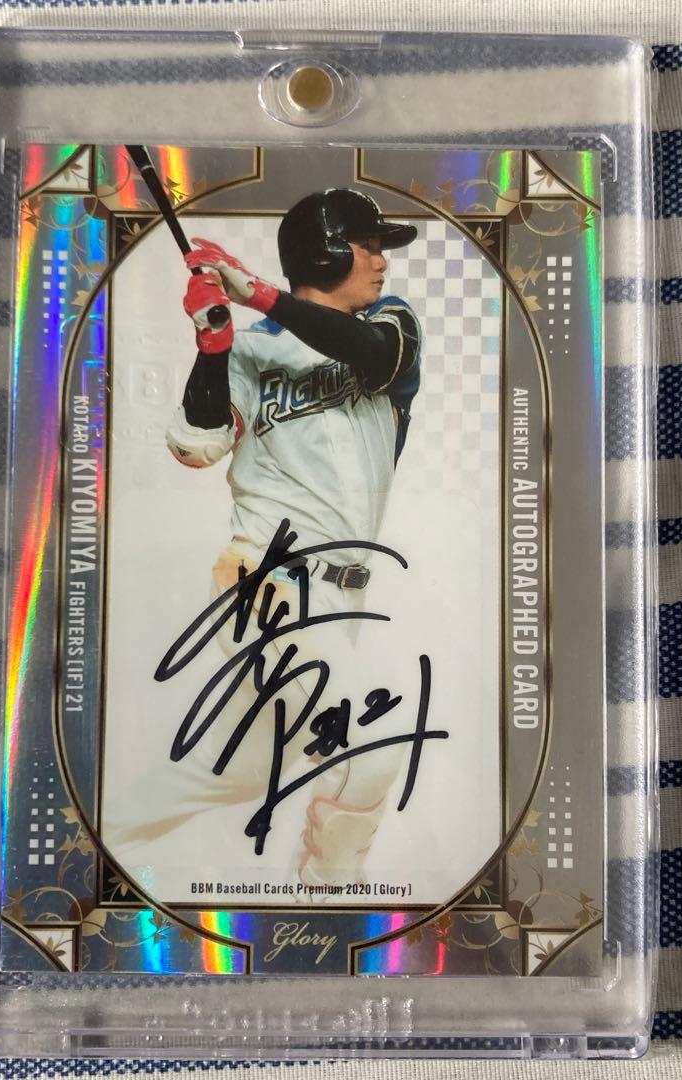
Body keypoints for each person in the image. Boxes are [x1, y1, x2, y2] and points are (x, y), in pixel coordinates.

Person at [154, 188, 423, 887]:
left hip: (345, 596)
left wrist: (257, 293)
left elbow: (374, 354)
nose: (381, 262)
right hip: (265, 579)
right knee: (374, 740)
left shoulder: (391, 325)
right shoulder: (251, 352)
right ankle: (332, 890)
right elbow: (196, 445)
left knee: (235, 773)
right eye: (368, 246)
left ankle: (109, 828)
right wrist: (213, 347)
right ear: (326, 252)